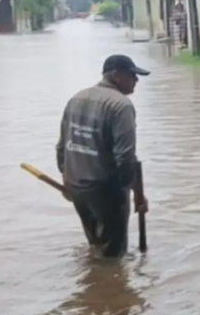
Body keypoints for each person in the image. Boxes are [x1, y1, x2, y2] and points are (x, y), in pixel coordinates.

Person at [56, 54, 150, 258]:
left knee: (96, 245)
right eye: (132, 75)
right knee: (113, 256)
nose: (136, 80)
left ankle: (95, 283)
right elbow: (125, 159)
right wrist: (135, 193)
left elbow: (62, 147)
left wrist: (67, 180)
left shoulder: (77, 98)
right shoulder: (121, 105)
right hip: (106, 191)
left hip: (78, 188)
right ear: (116, 75)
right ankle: (110, 287)